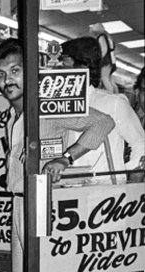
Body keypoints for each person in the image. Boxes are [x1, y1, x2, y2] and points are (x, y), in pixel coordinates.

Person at [0, 38, 116, 272]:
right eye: (1, 74)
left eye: (15, 71)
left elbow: (103, 122)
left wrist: (66, 158)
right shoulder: (11, 117)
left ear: (30, 73)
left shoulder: (47, 108)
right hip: (19, 202)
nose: (8, 80)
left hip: (42, 202)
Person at [60, 36, 145, 184]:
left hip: (106, 197)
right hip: (68, 194)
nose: (56, 71)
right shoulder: (56, 106)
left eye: (63, 64)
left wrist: (132, 185)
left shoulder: (114, 104)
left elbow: (140, 144)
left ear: (82, 68)